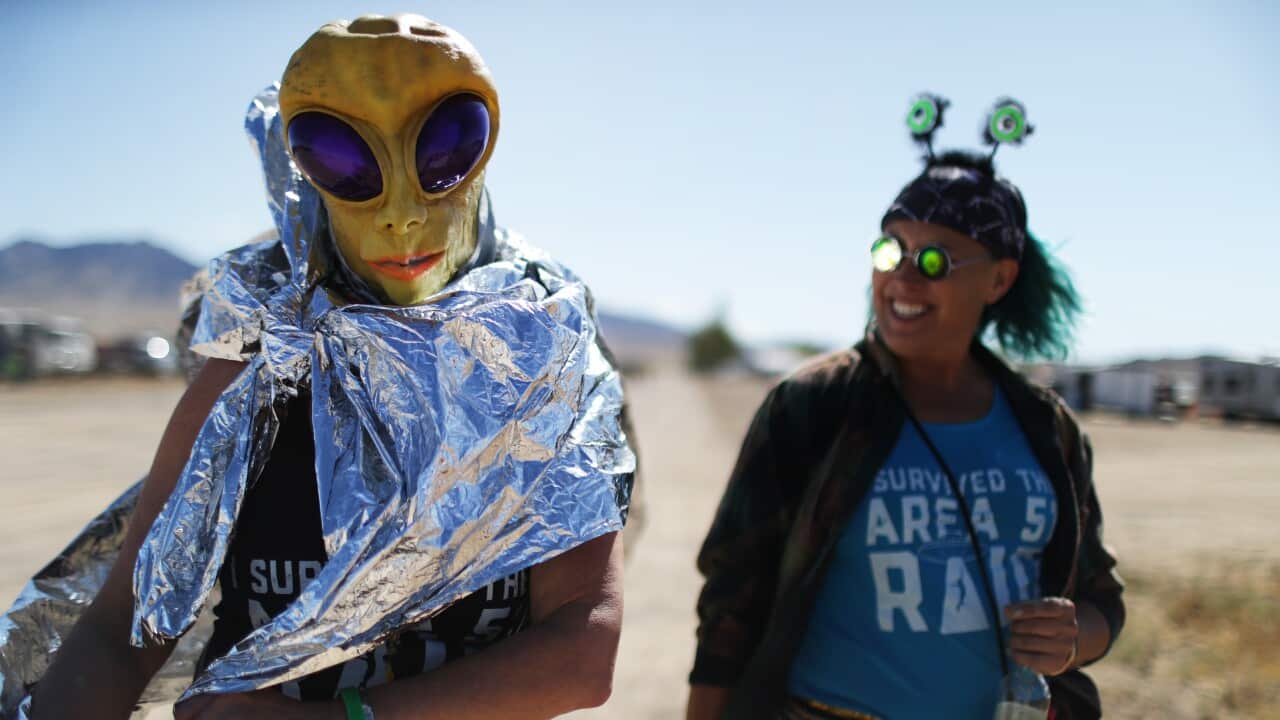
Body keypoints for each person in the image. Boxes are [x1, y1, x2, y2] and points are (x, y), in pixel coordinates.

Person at [25, 15, 633, 720]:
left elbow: (584, 649)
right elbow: (121, 630)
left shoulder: (543, 362)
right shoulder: (257, 365)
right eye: (344, 161)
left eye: (445, 149)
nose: (401, 215)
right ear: (303, 171)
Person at [686, 96, 1124, 720]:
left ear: (998, 280)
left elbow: (1102, 596)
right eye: (890, 250)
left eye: (935, 259)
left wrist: (1075, 637)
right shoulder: (814, 407)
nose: (903, 278)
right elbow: (731, 600)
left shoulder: (1044, 427)